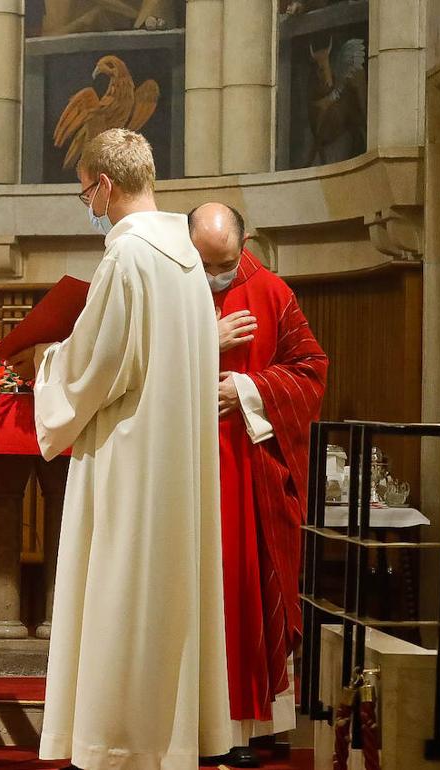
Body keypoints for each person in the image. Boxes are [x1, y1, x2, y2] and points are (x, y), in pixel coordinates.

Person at [8, 128, 232, 770]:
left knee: (122, 596)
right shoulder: (188, 259)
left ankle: (119, 745)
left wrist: (46, 362)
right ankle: (168, 740)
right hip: (176, 466)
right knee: (163, 602)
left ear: (104, 186)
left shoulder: (128, 259)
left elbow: (96, 368)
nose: (89, 201)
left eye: (86, 190)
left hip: (131, 463)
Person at [189, 202, 328, 767]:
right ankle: (198, 723)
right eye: (203, 263)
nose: (214, 276)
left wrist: (246, 390)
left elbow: (310, 369)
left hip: (252, 471)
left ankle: (252, 723)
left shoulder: (272, 293)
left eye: (223, 265)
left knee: (248, 588)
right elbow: (138, 364)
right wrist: (203, 339)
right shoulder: (173, 289)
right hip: (187, 464)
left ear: (244, 247)